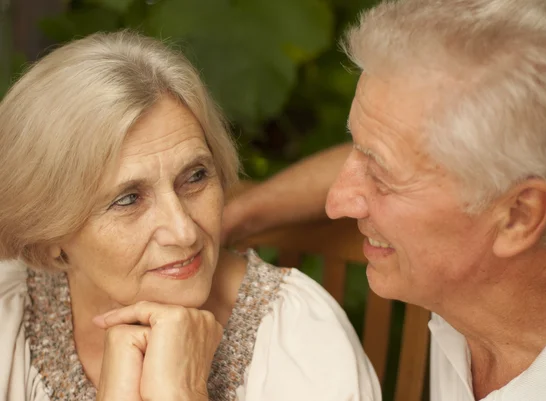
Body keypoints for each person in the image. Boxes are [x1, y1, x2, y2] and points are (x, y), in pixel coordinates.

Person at [223, 0, 546, 400]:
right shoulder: (476, 266)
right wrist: (230, 217)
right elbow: (403, 152)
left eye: (381, 176)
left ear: (518, 216)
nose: (337, 202)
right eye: (357, 147)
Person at [0, 31, 381, 401]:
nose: (184, 232)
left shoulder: (299, 337)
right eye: (129, 199)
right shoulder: (10, 313)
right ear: (50, 240)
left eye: (196, 177)